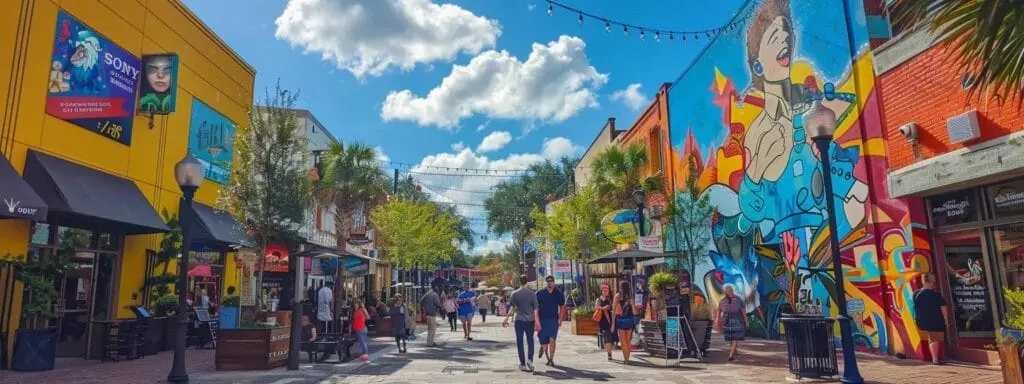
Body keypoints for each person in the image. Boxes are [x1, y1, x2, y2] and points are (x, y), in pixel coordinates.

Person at [503, 275, 538, 372]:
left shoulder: (514, 294)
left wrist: (506, 319)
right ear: (527, 282)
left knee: (520, 342)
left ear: (519, 282)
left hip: (519, 320)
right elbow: (535, 309)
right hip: (530, 321)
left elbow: (512, 308)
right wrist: (537, 321)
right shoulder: (532, 294)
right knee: (530, 340)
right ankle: (530, 359)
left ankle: (522, 363)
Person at [914, 273, 949, 364]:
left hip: (921, 320)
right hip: (935, 320)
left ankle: (935, 358)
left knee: (931, 337)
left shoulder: (916, 293)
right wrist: (946, 319)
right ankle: (936, 359)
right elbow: (943, 308)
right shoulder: (936, 295)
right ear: (932, 282)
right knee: (936, 339)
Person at [535, 276, 565, 366]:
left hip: (553, 320)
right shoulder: (540, 293)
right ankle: (545, 353)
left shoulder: (558, 293)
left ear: (554, 282)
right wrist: (536, 320)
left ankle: (551, 359)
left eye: (551, 281)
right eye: (548, 281)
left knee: (552, 339)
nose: (550, 282)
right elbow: (535, 307)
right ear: (546, 282)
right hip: (542, 320)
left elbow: (562, 307)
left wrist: (560, 319)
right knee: (544, 342)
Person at [716, 284, 748, 361]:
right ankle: (734, 351)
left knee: (734, 338)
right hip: (726, 320)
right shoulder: (722, 300)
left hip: (736, 320)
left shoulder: (738, 299)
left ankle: (731, 355)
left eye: (731, 290)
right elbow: (719, 312)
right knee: (731, 337)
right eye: (729, 291)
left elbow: (743, 311)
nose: (730, 292)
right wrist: (718, 322)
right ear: (725, 292)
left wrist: (746, 321)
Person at [613, 280, 636, 364]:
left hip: (620, 320)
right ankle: (627, 358)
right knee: (628, 340)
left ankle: (626, 359)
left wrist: (612, 323)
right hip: (629, 320)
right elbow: (634, 311)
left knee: (622, 341)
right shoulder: (630, 297)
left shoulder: (617, 296)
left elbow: (614, 310)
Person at [595, 281, 616, 361]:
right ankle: (609, 354)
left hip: (612, 320)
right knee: (607, 338)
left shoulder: (611, 299)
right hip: (603, 321)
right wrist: (603, 308)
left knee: (612, 338)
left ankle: (610, 350)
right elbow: (596, 307)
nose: (605, 290)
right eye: (603, 289)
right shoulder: (599, 299)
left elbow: (614, 309)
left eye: (606, 289)